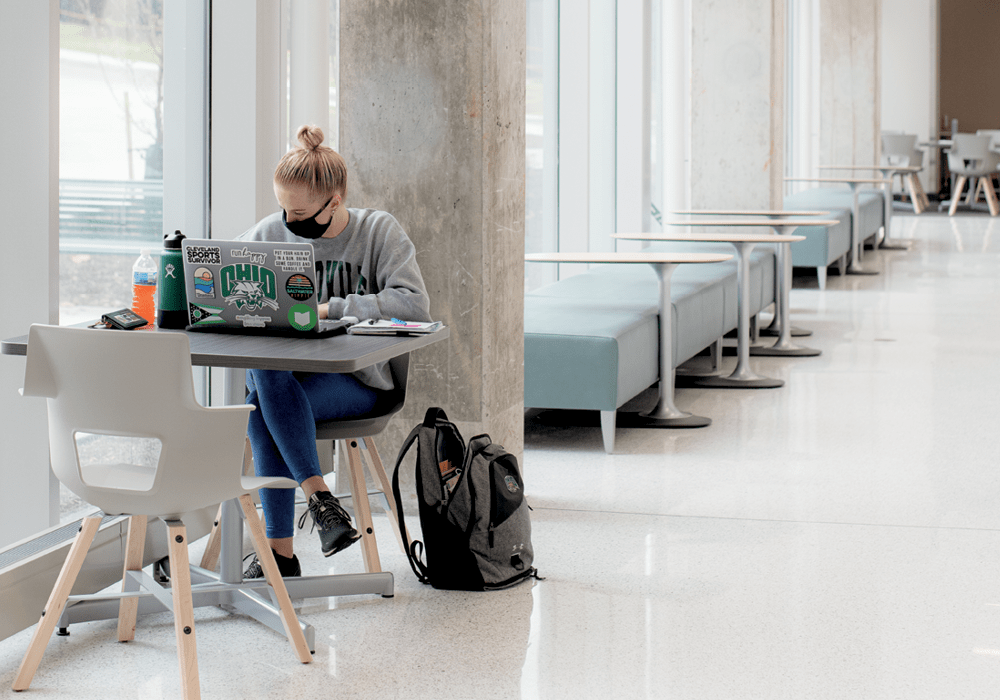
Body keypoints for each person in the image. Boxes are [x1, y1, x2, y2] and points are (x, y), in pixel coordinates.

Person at [239, 125, 432, 578]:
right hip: (289, 377)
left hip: (359, 380)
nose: (289, 222)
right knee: (264, 380)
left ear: (335, 202)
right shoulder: (270, 232)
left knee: (259, 408)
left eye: (301, 213)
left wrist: (326, 308)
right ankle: (320, 500)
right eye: (283, 209)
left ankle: (281, 555)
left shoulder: (377, 231)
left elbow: (413, 303)